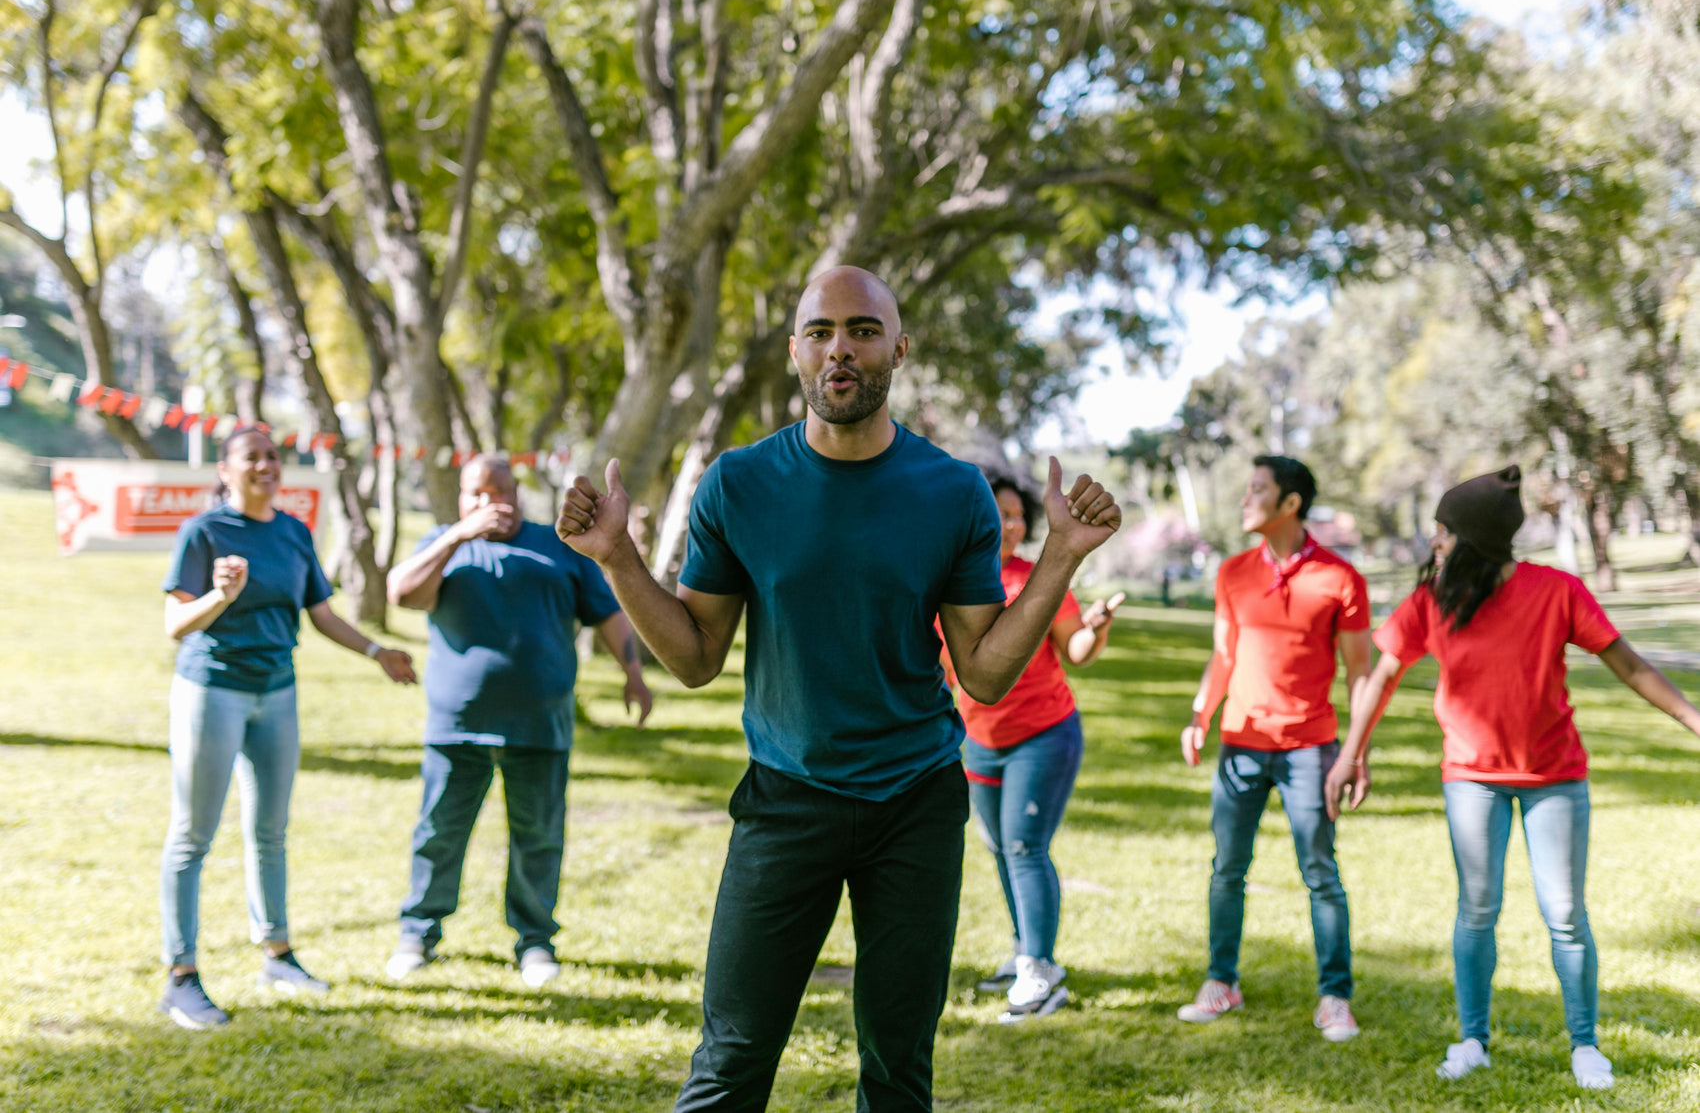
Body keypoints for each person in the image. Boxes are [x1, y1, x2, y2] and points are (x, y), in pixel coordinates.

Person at [555, 266, 1121, 1112]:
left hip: (916, 804)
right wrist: (617, 557)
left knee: (898, 1064)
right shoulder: (739, 484)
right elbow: (697, 654)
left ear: (899, 347)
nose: (840, 348)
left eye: (862, 329)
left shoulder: (953, 490)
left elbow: (984, 672)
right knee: (733, 1054)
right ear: (795, 351)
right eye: (820, 331)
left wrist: (1063, 555)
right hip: (786, 801)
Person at [1325, 465, 1700, 1090]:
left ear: (1473, 537)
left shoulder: (1556, 591)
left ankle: (1585, 1046)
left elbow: (1628, 665)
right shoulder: (1432, 600)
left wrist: (1692, 718)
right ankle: (1472, 1038)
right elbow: (1381, 677)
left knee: (1565, 915)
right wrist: (1350, 754)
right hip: (1471, 778)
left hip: (1554, 776)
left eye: (1443, 532)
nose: (1435, 544)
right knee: (1476, 909)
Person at [159, 426, 416, 1030]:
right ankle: (180, 978)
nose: (267, 466)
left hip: (277, 693)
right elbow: (176, 624)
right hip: (212, 690)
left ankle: (277, 956)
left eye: (274, 457)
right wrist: (220, 596)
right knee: (193, 836)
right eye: (253, 458)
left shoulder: (294, 531)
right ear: (226, 470)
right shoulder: (204, 532)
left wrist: (377, 650)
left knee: (270, 831)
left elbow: (321, 613)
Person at [384, 454, 652, 987]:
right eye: (476, 494)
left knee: (538, 836)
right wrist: (459, 535)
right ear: (460, 498)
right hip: (457, 724)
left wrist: (633, 671)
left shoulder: (557, 545)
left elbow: (606, 612)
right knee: (439, 832)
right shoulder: (444, 544)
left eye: (500, 492)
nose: (490, 504)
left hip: (540, 723)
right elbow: (403, 593)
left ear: (518, 495)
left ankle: (535, 941)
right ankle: (419, 932)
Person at [1176, 455, 1371, 1042]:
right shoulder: (1232, 572)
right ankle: (1221, 982)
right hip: (1240, 744)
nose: (1245, 498)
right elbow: (1223, 654)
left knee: (1320, 872)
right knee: (1227, 869)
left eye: (1257, 489)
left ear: (1290, 503)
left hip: (1311, 749)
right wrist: (1199, 716)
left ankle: (1335, 996)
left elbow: (1361, 670)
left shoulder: (1341, 578)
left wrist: (1356, 753)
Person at [954, 473, 1122, 1022]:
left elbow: (1073, 649)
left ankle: (1041, 969)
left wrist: (1094, 628)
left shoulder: (1038, 576)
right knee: (1001, 847)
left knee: (1024, 846)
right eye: (999, 513)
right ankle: (1024, 949)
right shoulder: (949, 578)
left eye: (1017, 514)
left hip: (1043, 732)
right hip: (979, 737)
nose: (1011, 524)